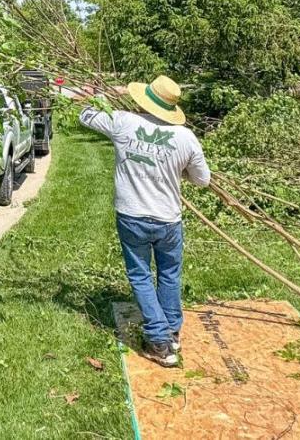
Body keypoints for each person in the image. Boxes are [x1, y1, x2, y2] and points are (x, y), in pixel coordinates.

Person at [77, 75, 210, 367]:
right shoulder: (186, 138)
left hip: (133, 216)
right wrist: (181, 171)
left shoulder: (124, 122)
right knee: (169, 274)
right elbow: (203, 180)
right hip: (168, 220)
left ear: (144, 99)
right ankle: (172, 331)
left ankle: (160, 343)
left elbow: (86, 114)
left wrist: (97, 92)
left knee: (140, 276)